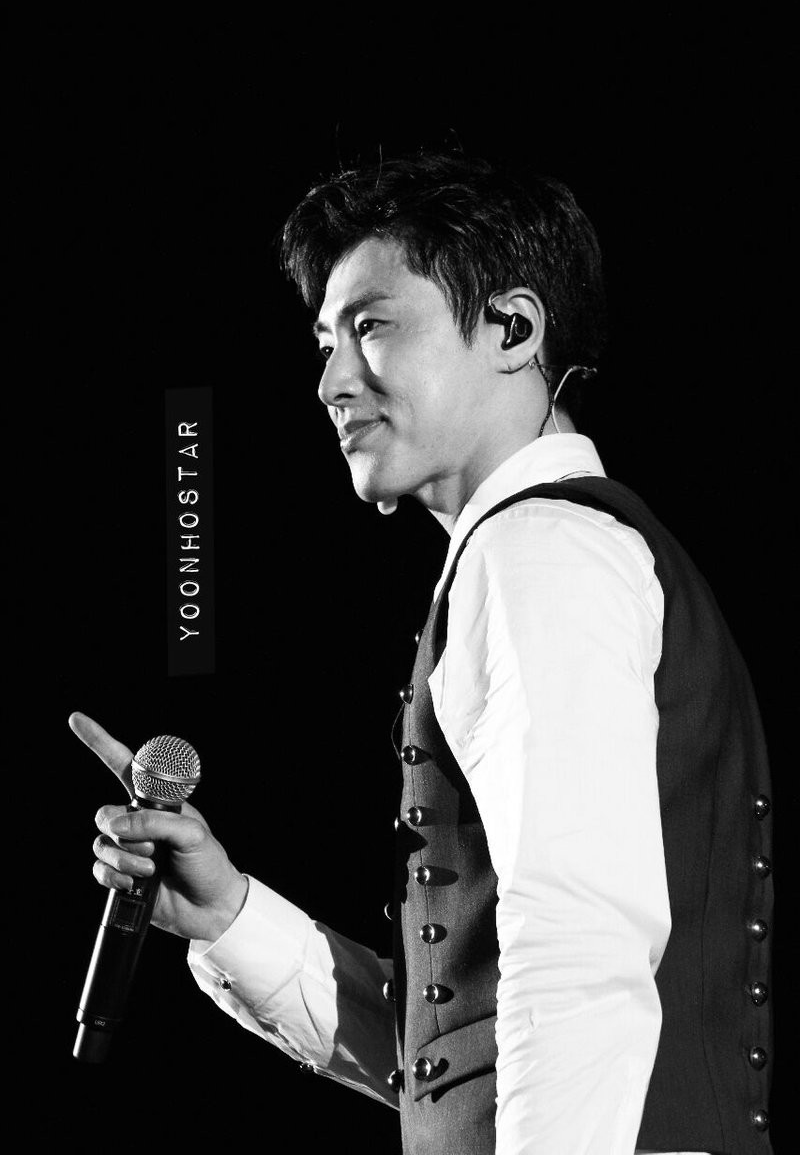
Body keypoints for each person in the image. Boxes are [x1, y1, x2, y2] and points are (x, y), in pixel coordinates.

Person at [75, 153, 774, 1153]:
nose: (329, 383)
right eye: (325, 343)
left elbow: (574, 960)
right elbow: (455, 1062)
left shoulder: (538, 552)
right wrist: (229, 914)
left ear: (512, 329)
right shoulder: (540, 552)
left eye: (371, 327)